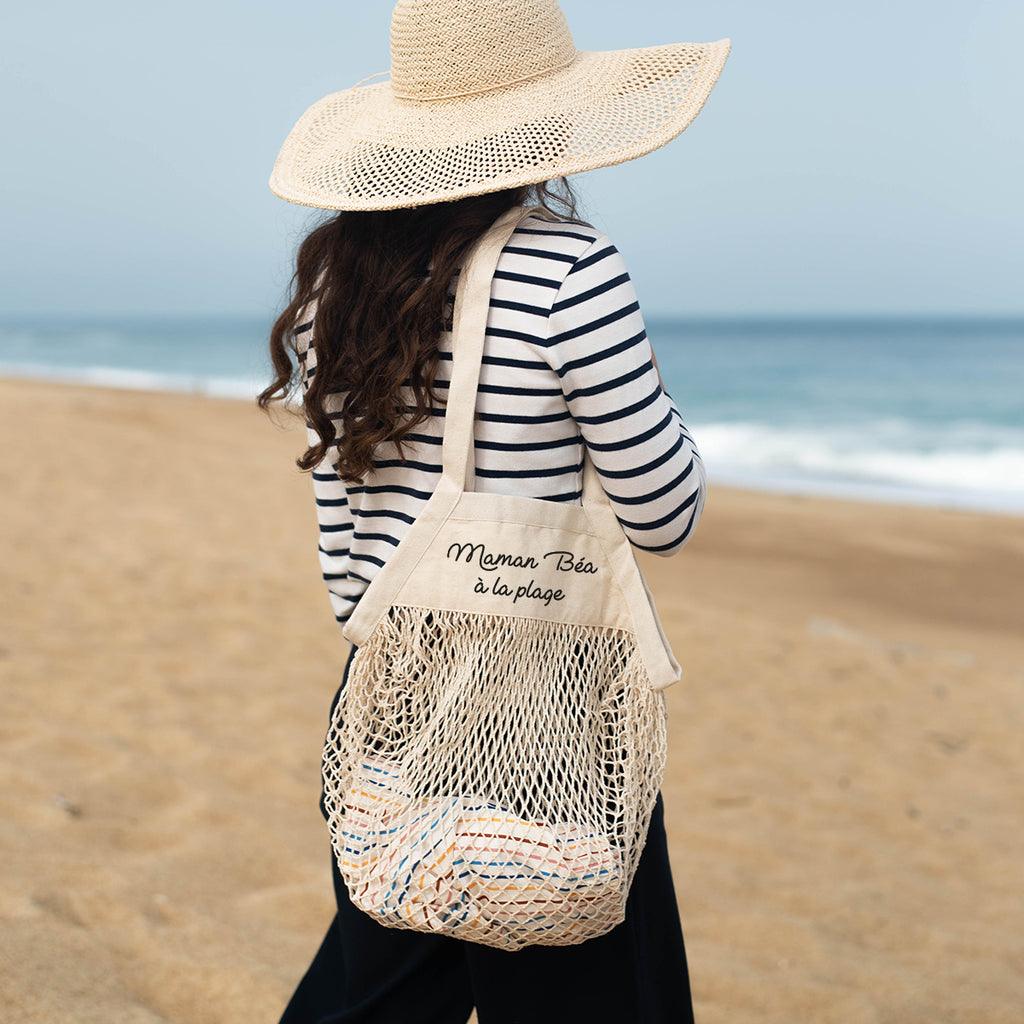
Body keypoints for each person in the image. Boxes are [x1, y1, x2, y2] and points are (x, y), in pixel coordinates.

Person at [260, 2, 729, 1021]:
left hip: (387, 688)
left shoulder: (332, 284)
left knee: (379, 990)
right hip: (544, 703)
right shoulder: (570, 267)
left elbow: (345, 544)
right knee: (594, 993)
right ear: (542, 124)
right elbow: (665, 513)